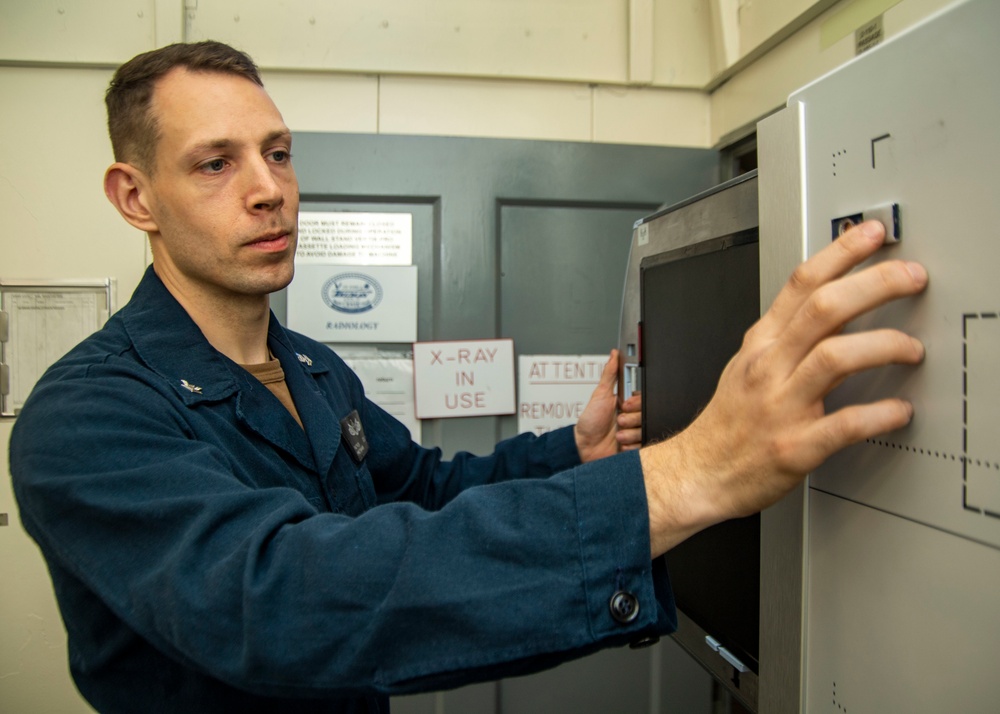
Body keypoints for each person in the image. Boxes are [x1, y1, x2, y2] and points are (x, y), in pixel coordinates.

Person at [8, 41, 927, 714]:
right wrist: (690, 476)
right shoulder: (87, 418)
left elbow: (431, 493)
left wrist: (579, 448)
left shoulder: (312, 370)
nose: (269, 189)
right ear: (136, 198)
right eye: (216, 163)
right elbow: (280, 597)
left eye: (278, 153)